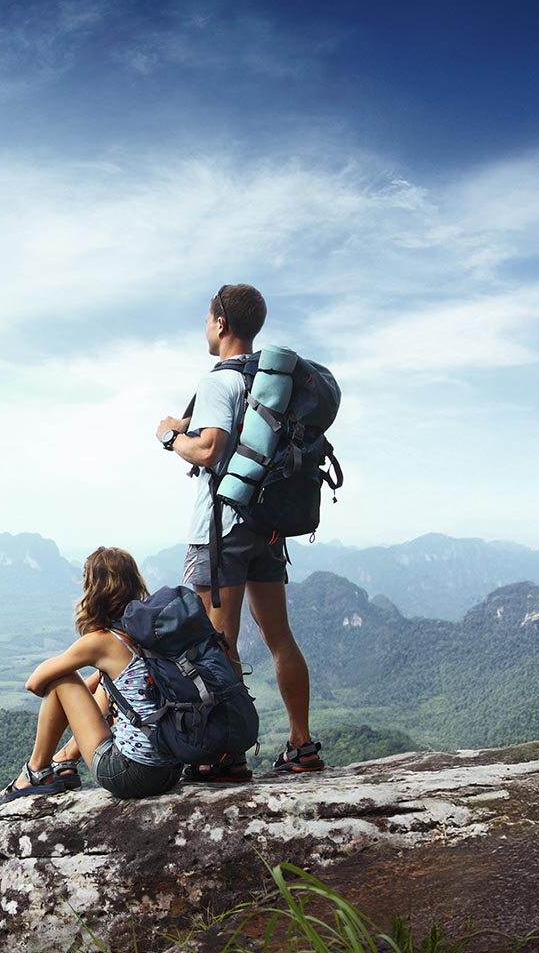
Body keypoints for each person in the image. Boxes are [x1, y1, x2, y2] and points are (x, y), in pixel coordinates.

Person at [155, 283, 323, 782]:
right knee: (279, 638)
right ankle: (301, 743)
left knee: (217, 642)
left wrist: (169, 436)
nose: (206, 328)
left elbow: (208, 450)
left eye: (208, 319)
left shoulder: (218, 382)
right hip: (269, 528)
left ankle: (225, 754)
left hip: (221, 530)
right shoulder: (273, 383)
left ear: (221, 322)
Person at [0, 546, 183, 803]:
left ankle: (36, 771)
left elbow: (35, 683)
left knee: (63, 678)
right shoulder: (147, 633)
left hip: (130, 775)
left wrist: (67, 688)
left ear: (94, 589)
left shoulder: (102, 641)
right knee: (102, 683)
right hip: (170, 770)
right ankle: (64, 761)